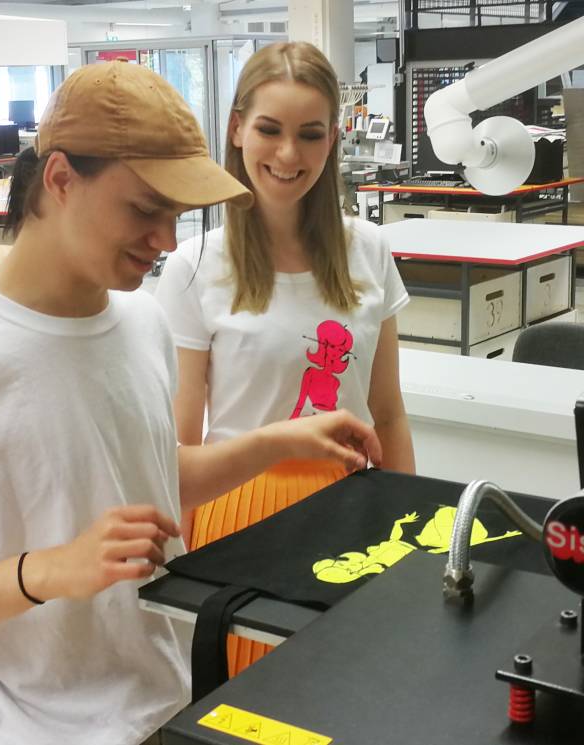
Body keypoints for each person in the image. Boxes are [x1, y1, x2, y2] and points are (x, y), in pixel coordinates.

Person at [0, 60, 382, 745]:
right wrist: (48, 570)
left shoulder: (139, 322)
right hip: (32, 727)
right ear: (61, 179)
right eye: (144, 210)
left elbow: (149, 479)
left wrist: (281, 441)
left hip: (165, 703)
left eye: (176, 217)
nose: (166, 242)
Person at [155, 41, 415, 677]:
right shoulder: (195, 267)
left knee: (348, 689)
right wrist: (177, 572)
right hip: (239, 511)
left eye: (311, 134)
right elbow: (178, 443)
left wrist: (408, 526)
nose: (289, 154)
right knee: (246, 701)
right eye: (270, 130)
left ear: (333, 140)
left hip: (353, 508)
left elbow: (387, 412)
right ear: (237, 128)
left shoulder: (369, 250)